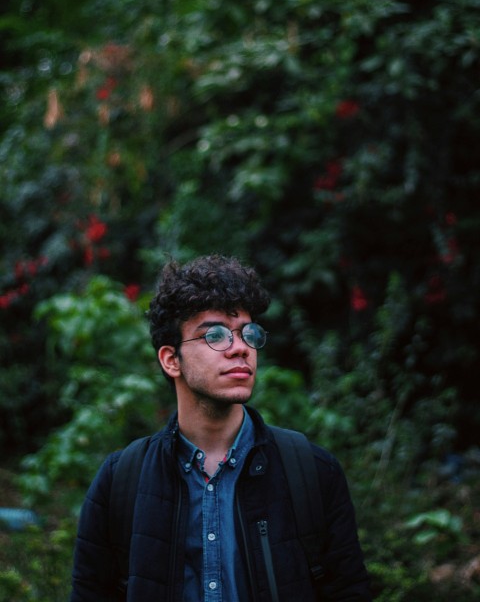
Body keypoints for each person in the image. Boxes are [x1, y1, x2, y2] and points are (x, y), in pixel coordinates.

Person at [70, 254, 372, 601]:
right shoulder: (121, 480)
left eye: (248, 333)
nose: (240, 348)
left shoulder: (311, 471)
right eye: (215, 334)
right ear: (171, 360)